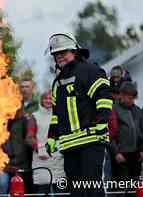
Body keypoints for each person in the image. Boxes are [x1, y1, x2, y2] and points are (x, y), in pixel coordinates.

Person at [46, 33, 113, 197]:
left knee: (91, 189)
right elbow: (56, 115)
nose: (59, 56)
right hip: (69, 146)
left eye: (63, 52)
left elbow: (104, 97)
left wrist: (101, 122)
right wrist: (52, 137)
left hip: (91, 141)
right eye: (56, 54)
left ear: (74, 51)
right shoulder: (57, 83)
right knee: (76, 192)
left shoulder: (90, 71)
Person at [109, 82, 143, 186]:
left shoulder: (137, 110)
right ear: (121, 95)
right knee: (122, 186)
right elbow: (110, 134)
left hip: (136, 154)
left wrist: (142, 150)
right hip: (121, 154)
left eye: (133, 98)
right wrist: (116, 152)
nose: (131, 101)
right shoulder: (113, 109)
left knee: (135, 185)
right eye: (129, 98)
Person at [32, 91, 65, 196]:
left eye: (51, 98)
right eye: (45, 98)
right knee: (42, 191)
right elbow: (29, 138)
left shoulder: (62, 116)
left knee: (61, 192)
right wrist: (40, 149)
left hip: (59, 160)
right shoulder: (34, 116)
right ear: (41, 100)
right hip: (42, 159)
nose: (48, 101)